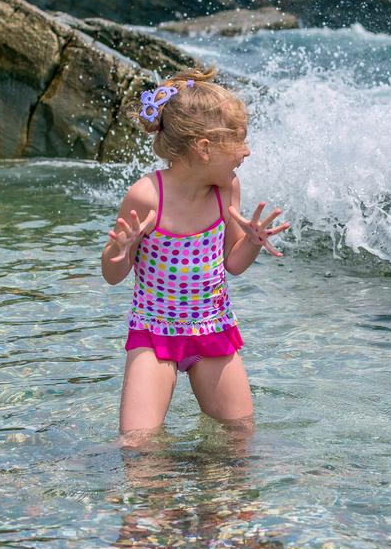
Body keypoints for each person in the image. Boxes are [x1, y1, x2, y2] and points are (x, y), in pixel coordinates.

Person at [101, 66, 289, 438]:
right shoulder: (147, 195)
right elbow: (112, 275)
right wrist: (122, 251)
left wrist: (251, 242)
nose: (247, 151)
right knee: (139, 448)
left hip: (213, 331)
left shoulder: (226, 190)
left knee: (239, 439)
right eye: (238, 140)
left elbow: (232, 263)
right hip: (154, 336)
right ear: (204, 148)